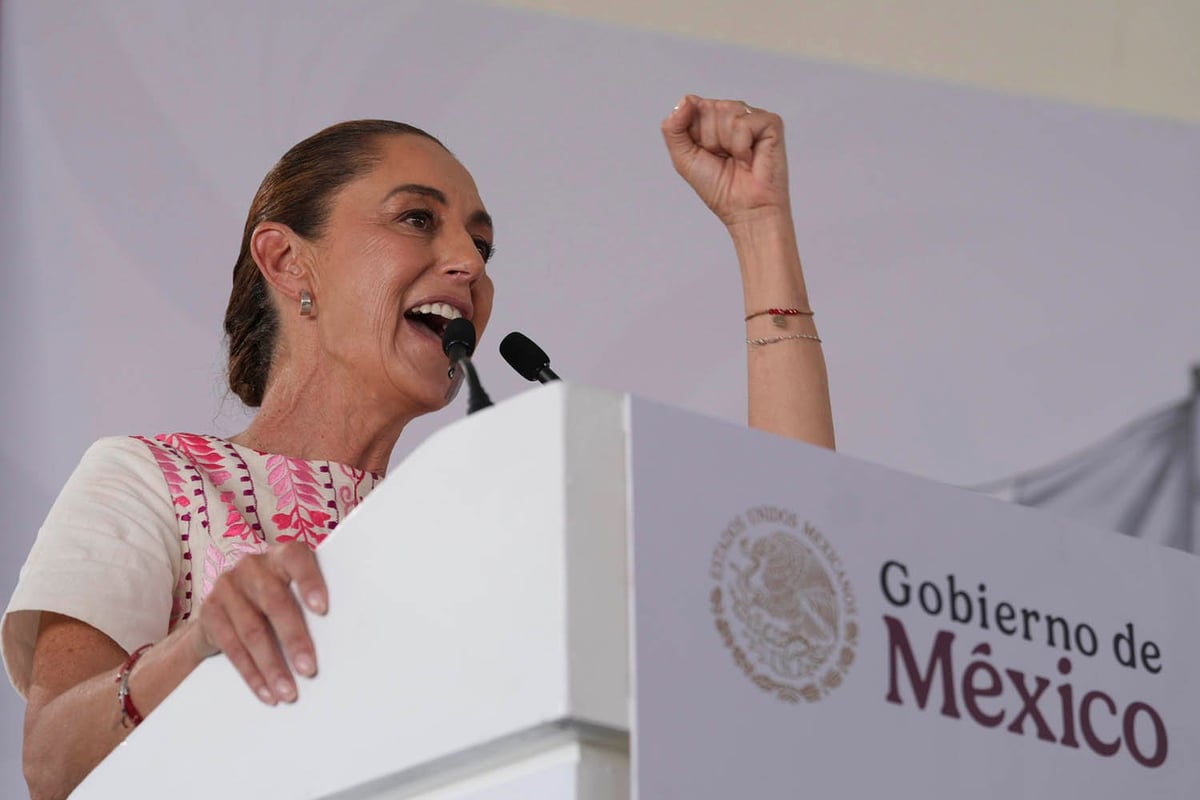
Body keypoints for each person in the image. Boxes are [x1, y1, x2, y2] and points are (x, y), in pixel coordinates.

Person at [2, 95, 834, 800]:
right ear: (289, 263)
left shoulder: (491, 522)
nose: (469, 262)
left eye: (483, 244)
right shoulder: (153, 480)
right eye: (416, 220)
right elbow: (50, 764)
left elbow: (794, 556)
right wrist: (196, 649)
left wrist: (762, 230)